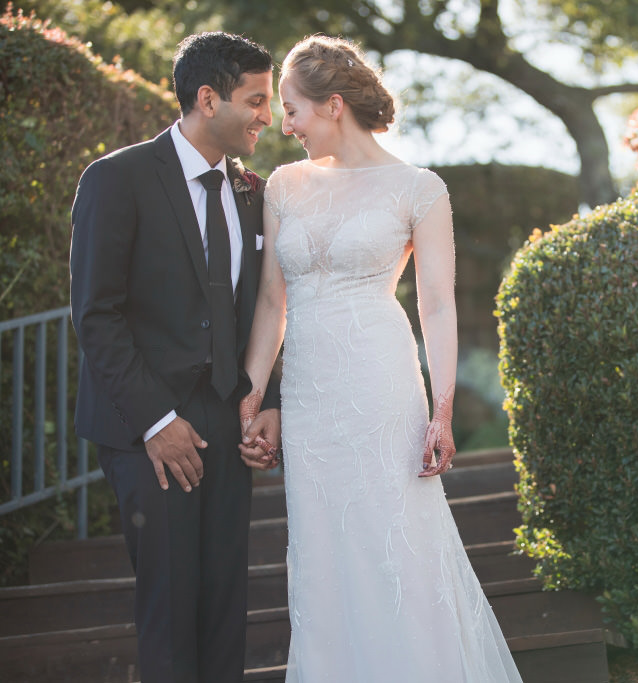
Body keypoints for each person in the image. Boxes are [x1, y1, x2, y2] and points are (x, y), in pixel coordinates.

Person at [239, 35, 523, 681]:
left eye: (292, 109)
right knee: (324, 552)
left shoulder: (419, 188)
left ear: (332, 104)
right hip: (311, 396)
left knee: (398, 543)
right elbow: (268, 303)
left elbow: (438, 307)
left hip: (381, 382)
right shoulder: (285, 184)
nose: (284, 125)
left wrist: (443, 412)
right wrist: (252, 396)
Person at [69, 32, 282, 683]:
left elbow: (267, 309)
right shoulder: (116, 178)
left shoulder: (257, 192)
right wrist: (156, 421)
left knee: (225, 604)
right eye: (255, 100)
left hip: (227, 420)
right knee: (171, 605)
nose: (266, 117)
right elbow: (95, 314)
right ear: (207, 96)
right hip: (148, 428)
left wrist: (268, 403)